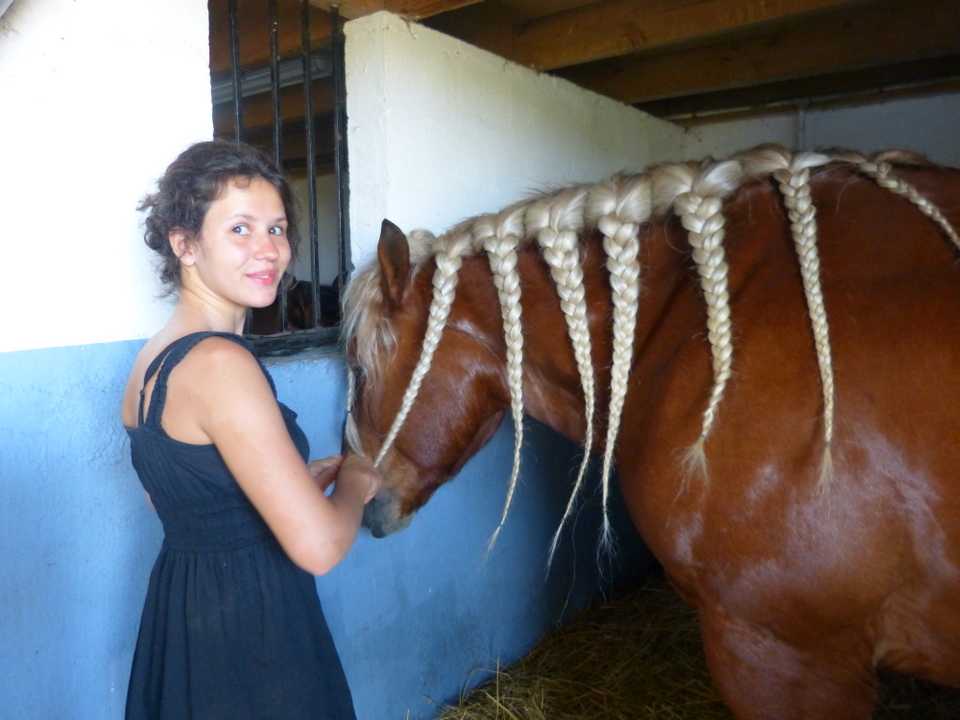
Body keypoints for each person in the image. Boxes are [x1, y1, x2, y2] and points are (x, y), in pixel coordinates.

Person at [120, 139, 381, 720]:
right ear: (184, 244)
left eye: (277, 228)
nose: (270, 250)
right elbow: (317, 548)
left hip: (184, 616)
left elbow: (171, 495)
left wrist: (293, 481)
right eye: (240, 229)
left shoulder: (150, 363)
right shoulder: (221, 364)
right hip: (253, 630)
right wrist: (357, 482)